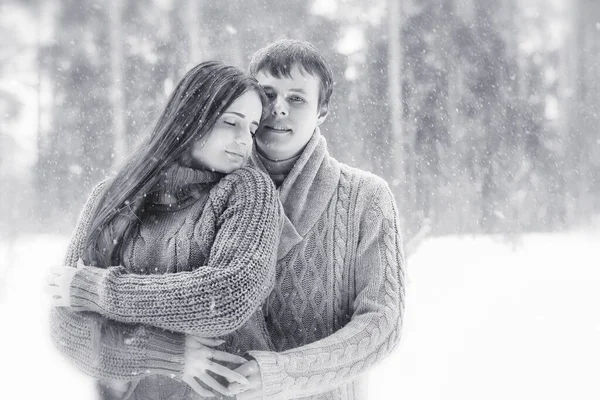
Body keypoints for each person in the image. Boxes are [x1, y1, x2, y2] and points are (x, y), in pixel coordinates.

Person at [47, 61, 282, 400]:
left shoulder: (247, 190)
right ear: (190, 118)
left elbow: (228, 297)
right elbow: (65, 327)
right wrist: (167, 354)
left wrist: (95, 290)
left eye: (252, 128)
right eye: (230, 122)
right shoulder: (110, 196)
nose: (243, 140)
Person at [226, 39, 406, 400]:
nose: (278, 109)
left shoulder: (366, 198)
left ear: (322, 111)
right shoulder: (213, 189)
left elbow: (381, 323)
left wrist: (283, 373)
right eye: (267, 94)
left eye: (296, 98)